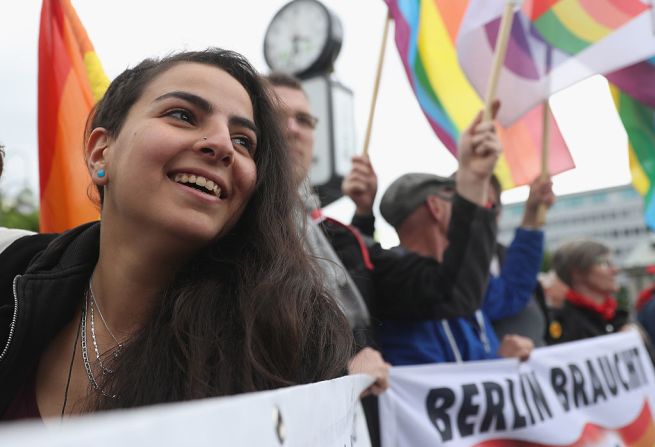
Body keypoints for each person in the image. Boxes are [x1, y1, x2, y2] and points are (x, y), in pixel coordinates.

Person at [0, 49, 353, 422]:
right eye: (182, 115)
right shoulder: (13, 270)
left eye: (244, 141)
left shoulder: (293, 342)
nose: (221, 146)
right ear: (101, 152)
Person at [489, 174, 555, 347]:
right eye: (472, 203)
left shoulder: (508, 257)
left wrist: (532, 213)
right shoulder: (449, 268)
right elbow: (506, 298)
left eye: (490, 205)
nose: (482, 214)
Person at [547, 239, 628, 343]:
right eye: (604, 263)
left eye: (612, 263)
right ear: (577, 273)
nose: (615, 270)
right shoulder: (565, 324)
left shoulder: (618, 318)